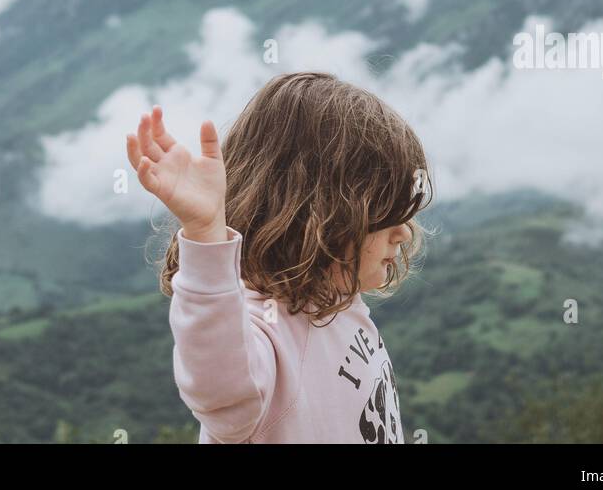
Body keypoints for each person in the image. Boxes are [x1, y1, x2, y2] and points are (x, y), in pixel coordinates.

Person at [126, 71, 433, 444]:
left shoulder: (337, 301)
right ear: (322, 217)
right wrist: (206, 233)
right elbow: (222, 393)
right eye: (385, 212)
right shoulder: (264, 330)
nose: (403, 231)